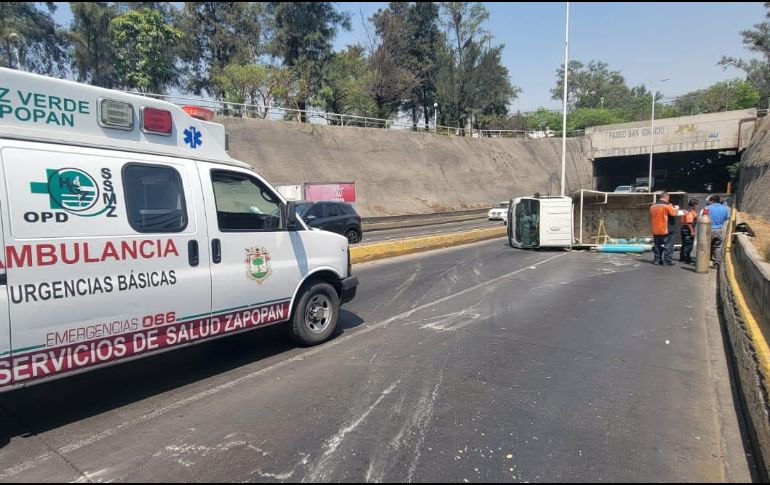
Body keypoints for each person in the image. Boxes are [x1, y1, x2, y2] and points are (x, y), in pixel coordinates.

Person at [650, 192, 679, 266]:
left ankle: (657, 260)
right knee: (668, 245)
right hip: (666, 229)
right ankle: (667, 261)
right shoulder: (667, 205)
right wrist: (676, 208)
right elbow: (674, 213)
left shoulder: (652, 206)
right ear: (667, 197)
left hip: (656, 229)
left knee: (657, 245)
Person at [706, 195, 731, 268]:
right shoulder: (725, 209)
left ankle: (705, 262)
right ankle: (716, 263)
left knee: (706, 246)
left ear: (712, 201)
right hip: (719, 230)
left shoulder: (707, 208)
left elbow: (702, 218)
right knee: (717, 246)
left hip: (708, 229)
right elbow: (727, 218)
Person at [679, 199, 699, 264]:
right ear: (694, 205)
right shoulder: (690, 211)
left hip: (683, 228)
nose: (696, 207)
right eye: (696, 205)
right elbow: (689, 223)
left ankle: (682, 257)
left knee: (684, 243)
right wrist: (692, 231)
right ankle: (687, 259)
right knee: (689, 245)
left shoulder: (685, 210)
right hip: (688, 229)